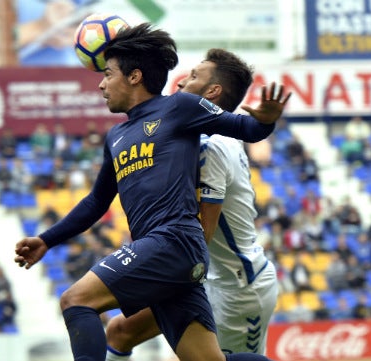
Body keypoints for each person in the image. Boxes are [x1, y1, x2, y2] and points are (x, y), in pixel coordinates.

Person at [14, 23, 291, 361]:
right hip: (175, 259)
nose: (101, 84)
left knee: (76, 300)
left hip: (174, 241)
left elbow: (246, 128)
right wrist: (47, 239)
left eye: (109, 74)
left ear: (134, 77)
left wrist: (266, 121)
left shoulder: (179, 108)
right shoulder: (115, 138)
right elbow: (96, 202)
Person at [104, 48, 279, 359]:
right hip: (207, 278)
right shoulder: (195, 135)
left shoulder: (212, 146)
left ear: (213, 91)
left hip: (235, 288)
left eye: (194, 76)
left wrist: (146, 270)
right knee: (120, 332)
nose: (182, 80)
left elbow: (203, 234)